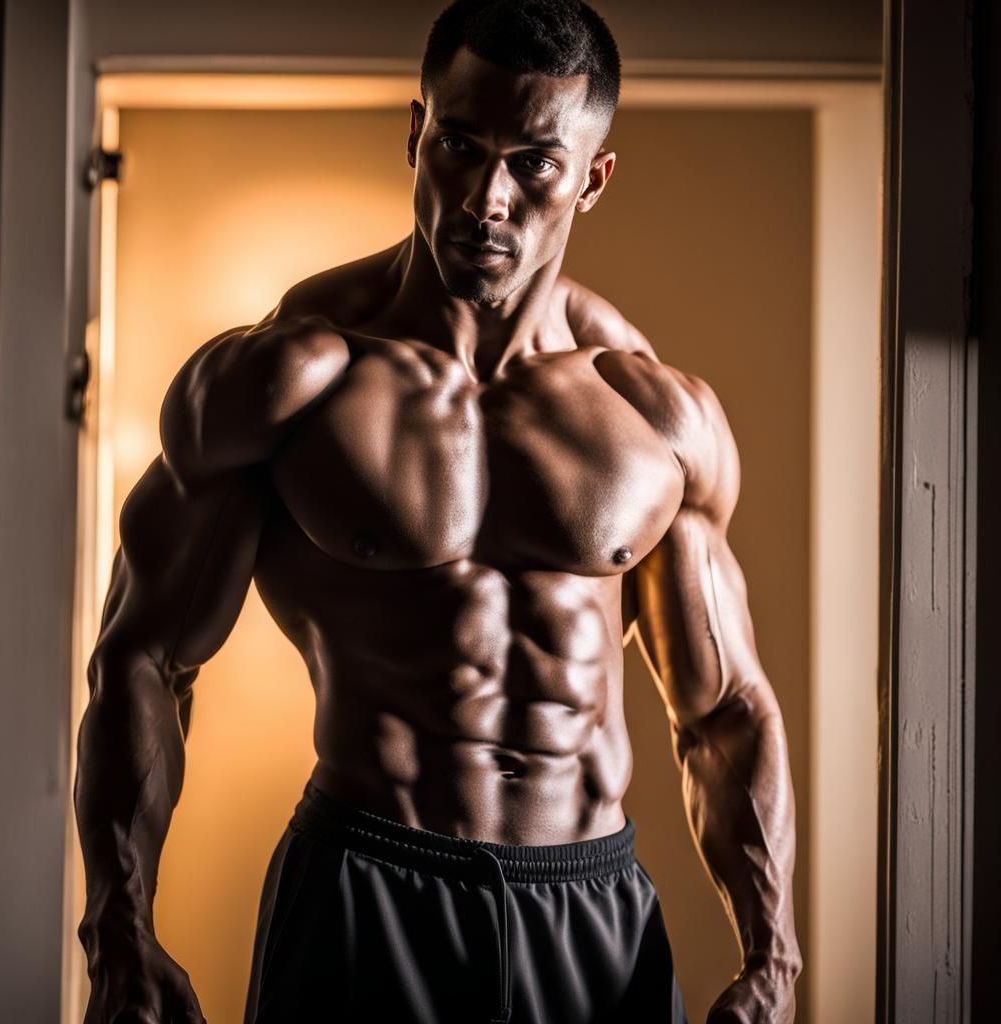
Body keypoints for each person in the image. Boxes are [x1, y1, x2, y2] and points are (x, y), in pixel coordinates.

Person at [73, 0, 802, 1021]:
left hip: (589, 907)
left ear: (591, 179)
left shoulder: (654, 415)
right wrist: (119, 924)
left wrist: (772, 956)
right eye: (459, 145)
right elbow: (142, 656)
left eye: (534, 162)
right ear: (415, 134)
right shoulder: (290, 379)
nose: (485, 197)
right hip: (368, 887)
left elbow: (722, 714)